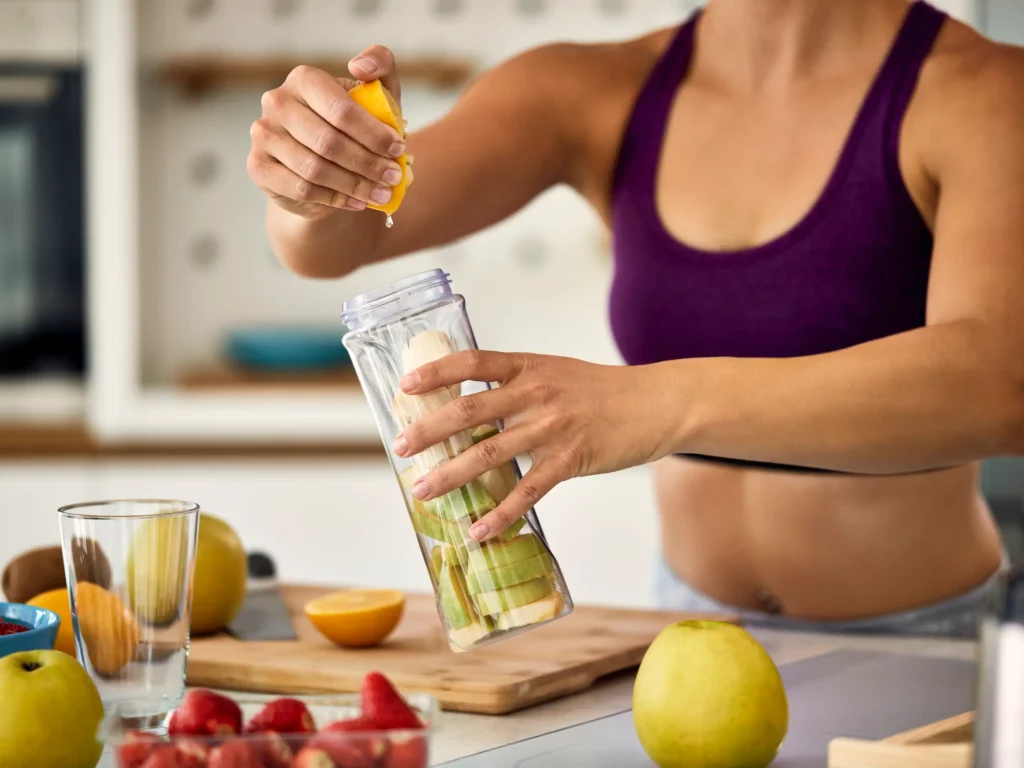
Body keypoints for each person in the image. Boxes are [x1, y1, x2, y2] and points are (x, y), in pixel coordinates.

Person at [247, 0, 1024, 637]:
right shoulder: (595, 88)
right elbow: (327, 243)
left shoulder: (983, 91)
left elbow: (1004, 386)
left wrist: (660, 403)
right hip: (686, 630)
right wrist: (313, 173)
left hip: (932, 643)